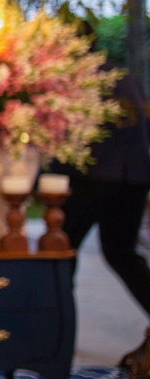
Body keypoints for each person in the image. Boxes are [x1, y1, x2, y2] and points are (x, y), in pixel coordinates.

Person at [50, 23, 150, 317]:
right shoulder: (122, 74)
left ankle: (57, 327)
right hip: (134, 177)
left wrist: (47, 179)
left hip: (91, 178)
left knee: (60, 252)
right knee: (122, 254)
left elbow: (65, 137)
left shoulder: (75, 79)